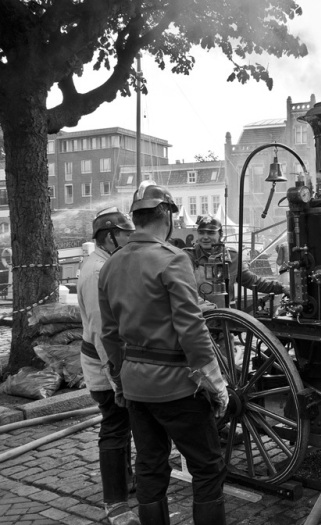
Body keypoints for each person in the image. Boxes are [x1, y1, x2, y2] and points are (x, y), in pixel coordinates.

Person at [98, 182, 229, 525]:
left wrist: (119, 381)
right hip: (176, 385)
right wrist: (214, 382)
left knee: (150, 464)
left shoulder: (110, 265)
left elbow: (109, 333)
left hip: (135, 385)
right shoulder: (172, 259)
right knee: (207, 466)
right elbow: (191, 327)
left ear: (136, 219)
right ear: (167, 216)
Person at [77, 207, 138, 525]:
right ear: (110, 236)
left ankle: (126, 484)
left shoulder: (104, 263)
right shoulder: (97, 271)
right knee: (114, 429)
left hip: (108, 359)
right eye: (125, 235)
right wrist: (117, 380)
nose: (129, 240)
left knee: (123, 425)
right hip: (104, 365)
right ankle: (115, 504)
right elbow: (103, 334)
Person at [184, 215, 286, 307]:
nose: (205, 237)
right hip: (196, 317)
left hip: (224, 317)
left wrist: (281, 288)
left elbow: (252, 281)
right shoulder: (186, 257)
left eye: (211, 233)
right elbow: (183, 292)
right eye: (201, 233)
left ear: (221, 234)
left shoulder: (232, 257)